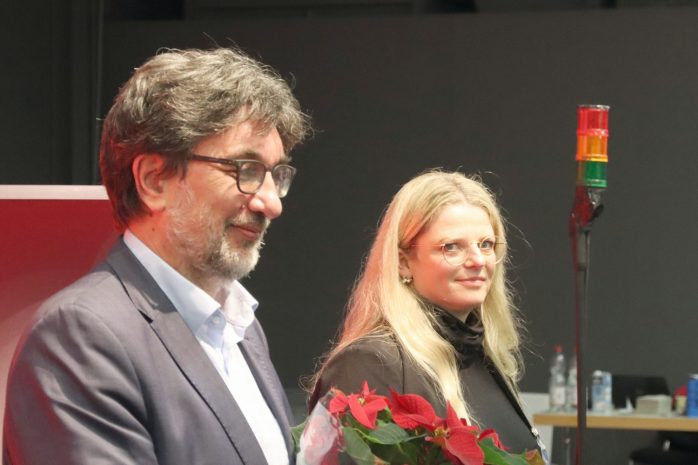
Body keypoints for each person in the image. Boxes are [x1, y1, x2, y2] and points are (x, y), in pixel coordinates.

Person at [3, 47, 311, 465]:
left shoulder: (240, 324)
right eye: (246, 170)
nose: (271, 204)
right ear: (153, 180)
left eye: (276, 175)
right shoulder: (79, 335)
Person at [309, 170, 546, 457]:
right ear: (403, 262)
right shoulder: (371, 363)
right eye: (451, 247)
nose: (477, 260)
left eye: (486, 244)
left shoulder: (484, 358)